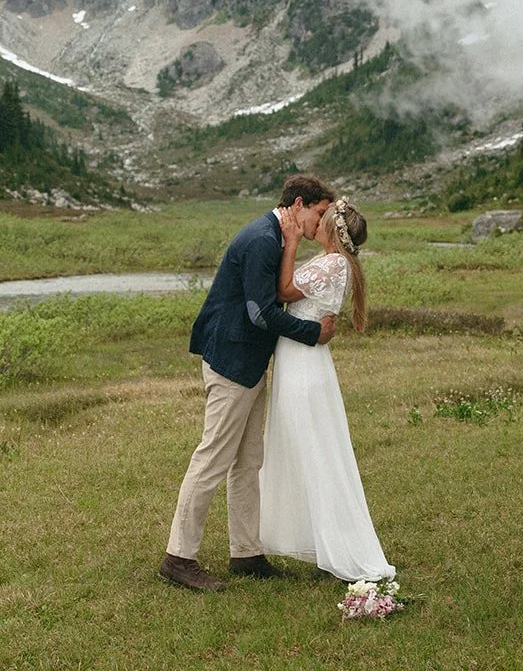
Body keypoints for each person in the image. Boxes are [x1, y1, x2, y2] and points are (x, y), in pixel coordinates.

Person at [160, 175, 338, 593]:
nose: (322, 222)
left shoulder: (277, 236)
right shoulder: (261, 239)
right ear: (299, 204)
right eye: (319, 213)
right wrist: (312, 334)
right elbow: (261, 313)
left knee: (248, 459)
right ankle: (178, 558)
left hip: (250, 360)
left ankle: (246, 552)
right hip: (232, 360)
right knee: (213, 458)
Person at [259, 197, 395, 582]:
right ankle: (315, 539)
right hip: (301, 358)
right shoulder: (335, 262)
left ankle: (337, 546)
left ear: (334, 230)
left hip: (303, 363)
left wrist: (289, 243)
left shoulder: (333, 263)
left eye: (324, 218)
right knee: (305, 447)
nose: (316, 221)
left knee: (314, 449)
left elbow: (284, 292)